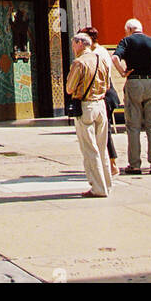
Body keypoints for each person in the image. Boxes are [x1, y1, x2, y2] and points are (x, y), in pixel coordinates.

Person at [111, 18, 151, 175]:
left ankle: (135, 164)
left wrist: (122, 72)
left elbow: (115, 58)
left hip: (134, 82)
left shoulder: (126, 41)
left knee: (133, 126)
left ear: (129, 29)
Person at [65, 31, 112, 198]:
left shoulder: (79, 63)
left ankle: (98, 187)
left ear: (79, 44)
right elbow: (107, 86)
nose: (72, 48)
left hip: (86, 106)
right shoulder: (101, 59)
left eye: (73, 44)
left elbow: (69, 88)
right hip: (101, 104)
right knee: (102, 147)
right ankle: (107, 183)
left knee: (89, 149)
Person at [81, 25, 119, 178]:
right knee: (103, 131)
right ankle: (109, 163)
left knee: (104, 131)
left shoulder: (95, 54)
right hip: (105, 93)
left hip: (102, 94)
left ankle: (112, 164)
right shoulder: (101, 51)